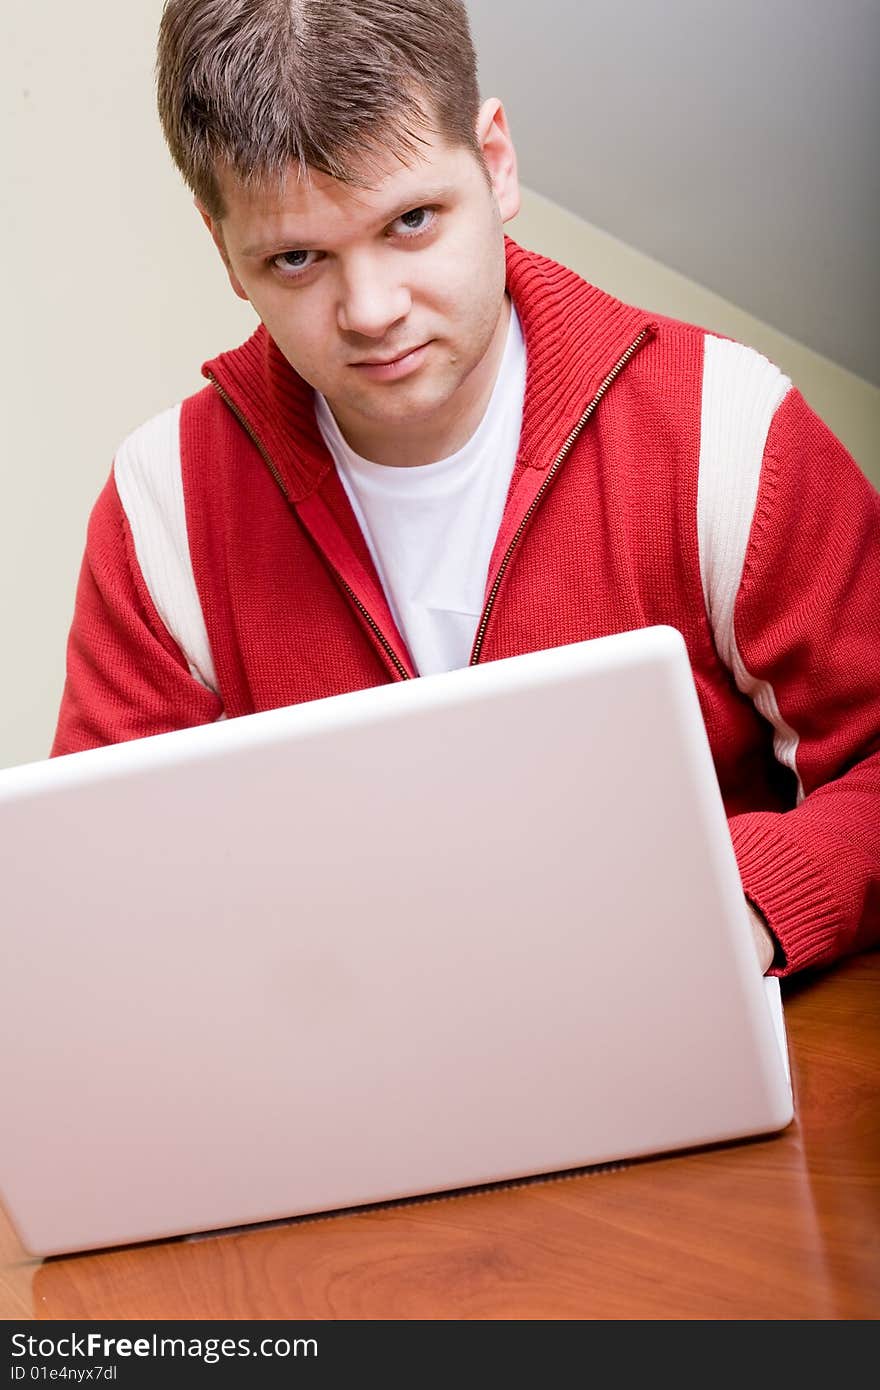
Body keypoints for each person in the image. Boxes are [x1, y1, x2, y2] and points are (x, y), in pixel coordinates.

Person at [51, 0, 879, 980]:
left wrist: (738, 906)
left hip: (685, 1043)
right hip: (335, 1078)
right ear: (220, 246)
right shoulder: (162, 507)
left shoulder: (727, 428)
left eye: (411, 221)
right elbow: (96, 887)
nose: (370, 311)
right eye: (296, 258)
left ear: (495, 160)